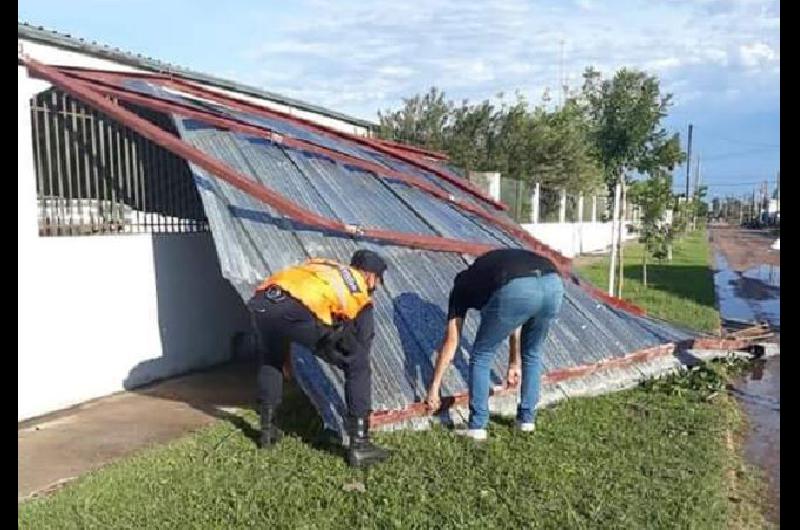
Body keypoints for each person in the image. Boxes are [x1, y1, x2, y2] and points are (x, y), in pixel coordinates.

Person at [247, 249, 390, 467]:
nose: (376, 286)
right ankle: (360, 445)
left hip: (262, 301)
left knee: (271, 359)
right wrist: (350, 358)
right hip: (297, 309)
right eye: (378, 280)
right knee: (358, 363)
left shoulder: (324, 266)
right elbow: (363, 339)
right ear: (370, 276)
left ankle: (268, 431)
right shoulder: (359, 288)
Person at [425, 248, 564, 440]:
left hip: (517, 287)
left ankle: (477, 426)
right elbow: (515, 320)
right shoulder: (488, 270)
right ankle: (526, 420)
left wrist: (434, 387)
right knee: (532, 352)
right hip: (553, 283)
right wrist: (514, 362)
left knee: (481, 355)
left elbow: (451, 341)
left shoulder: (460, 289)